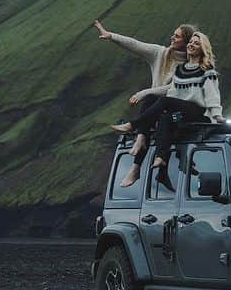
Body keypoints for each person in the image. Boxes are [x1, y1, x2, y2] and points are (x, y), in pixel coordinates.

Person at [110, 31, 223, 182]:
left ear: (203, 49)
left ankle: (134, 125)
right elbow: (173, 92)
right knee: (166, 117)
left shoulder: (207, 70)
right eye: (191, 42)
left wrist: (217, 116)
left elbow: (212, 95)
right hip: (182, 116)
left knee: (164, 101)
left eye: (196, 43)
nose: (192, 45)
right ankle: (161, 159)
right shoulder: (181, 69)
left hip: (198, 114)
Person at [93, 19, 196, 186]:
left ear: (185, 42)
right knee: (152, 101)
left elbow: (172, 89)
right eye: (173, 35)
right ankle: (140, 141)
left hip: (175, 111)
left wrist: (144, 92)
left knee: (154, 101)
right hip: (156, 105)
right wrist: (110, 36)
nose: (172, 38)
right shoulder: (160, 53)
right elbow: (135, 44)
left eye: (177, 37)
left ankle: (138, 151)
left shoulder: (189, 66)